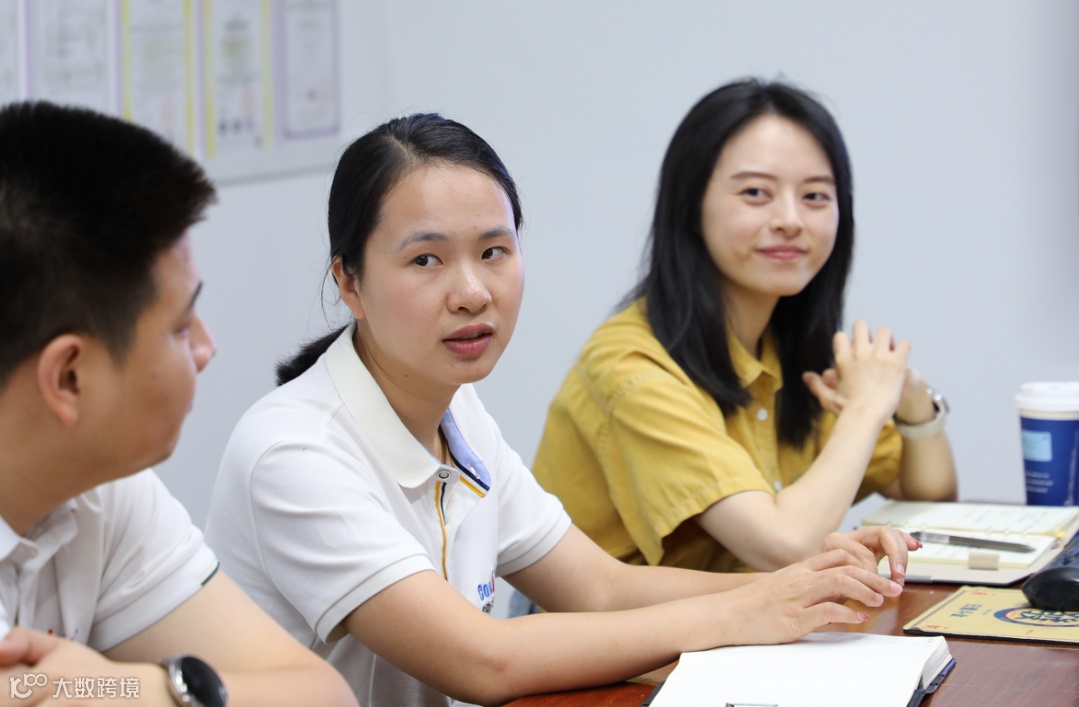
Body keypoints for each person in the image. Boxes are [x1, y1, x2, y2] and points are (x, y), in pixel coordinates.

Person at [205, 112, 919, 707]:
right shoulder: (295, 452)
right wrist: (750, 607)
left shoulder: (457, 411)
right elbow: (482, 660)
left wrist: (802, 585)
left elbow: (601, 586)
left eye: (494, 251)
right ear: (349, 283)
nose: (472, 292)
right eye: (426, 260)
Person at [0, 101, 357, 707]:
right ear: (69, 378)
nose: (205, 349)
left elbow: (324, 697)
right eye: (179, 326)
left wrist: (137, 691)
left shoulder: (102, 494)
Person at [531, 78, 958, 576]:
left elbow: (929, 495)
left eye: (816, 196)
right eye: (756, 192)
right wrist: (866, 407)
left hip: (744, 620)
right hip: (609, 627)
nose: (790, 220)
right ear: (692, 207)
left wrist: (908, 396)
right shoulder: (631, 364)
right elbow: (784, 547)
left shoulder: (786, 346)